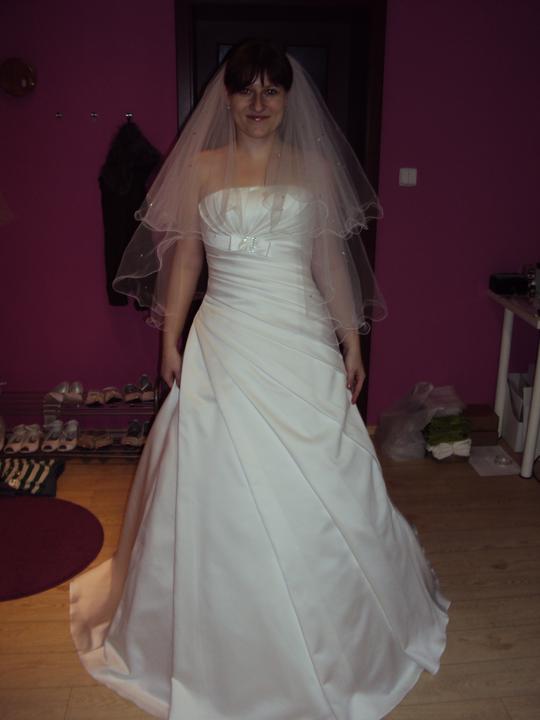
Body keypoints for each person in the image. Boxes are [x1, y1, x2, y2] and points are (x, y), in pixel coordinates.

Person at [69, 39, 449, 720]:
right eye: (246, 89)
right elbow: (186, 259)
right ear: (227, 96)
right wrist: (170, 337)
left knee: (328, 476)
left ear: (288, 99)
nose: (258, 103)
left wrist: (352, 339)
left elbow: (328, 260)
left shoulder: (314, 167)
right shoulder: (202, 167)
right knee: (213, 482)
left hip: (298, 340)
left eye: (272, 90)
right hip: (226, 341)